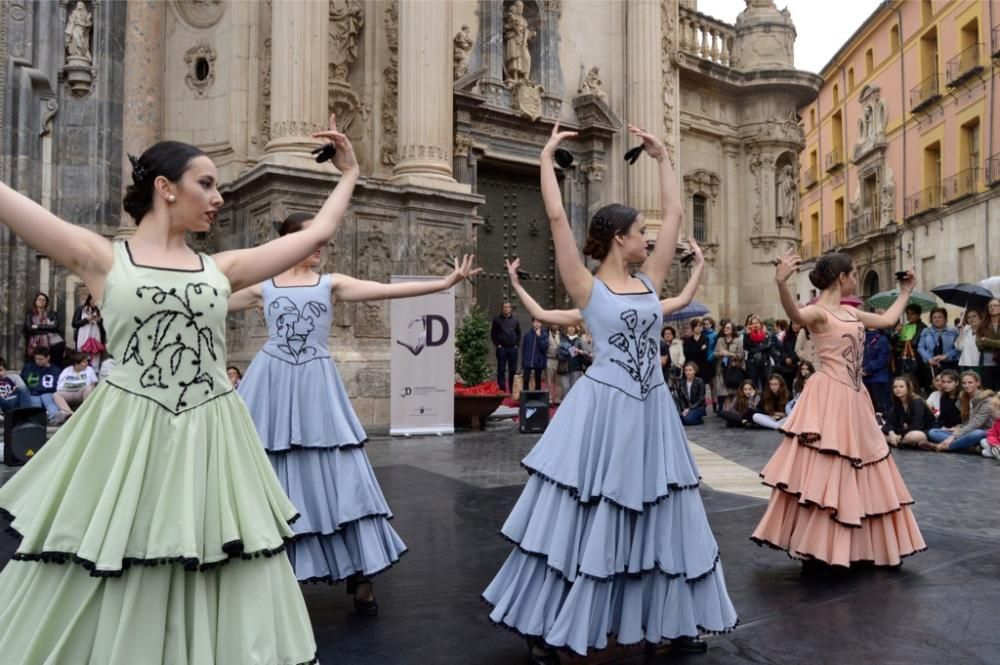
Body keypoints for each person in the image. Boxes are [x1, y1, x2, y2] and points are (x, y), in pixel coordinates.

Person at [0, 115, 360, 663]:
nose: (218, 197)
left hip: (212, 434)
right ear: (166, 189)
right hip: (128, 436)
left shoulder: (222, 268)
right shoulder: (104, 258)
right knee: (123, 551)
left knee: (214, 554)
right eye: (207, 184)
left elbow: (316, 235)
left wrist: (349, 174)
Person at [483, 123, 736, 662]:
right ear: (619, 238)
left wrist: (664, 157)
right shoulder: (587, 287)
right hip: (605, 410)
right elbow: (555, 219)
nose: (649, 238)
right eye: (639, 231)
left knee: (661, 511)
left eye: (647, 232)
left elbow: (672, 217)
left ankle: (671, 616)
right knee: (591, 515)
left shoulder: (649, 283)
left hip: (651, 411)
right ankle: (551, 620)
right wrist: (546, 161)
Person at [229, 212, 479, 616]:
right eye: (310, 237)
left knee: (340, 470)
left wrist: (445, 283)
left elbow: (383, 291)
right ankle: (266, 569)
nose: (320, 245)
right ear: (287, 241)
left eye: (322, 238)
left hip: (315, 383)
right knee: (266, 469)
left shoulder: (332, 284)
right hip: (271, 384)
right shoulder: (265, 286)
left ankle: (360, 573)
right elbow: (209, 300)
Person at [751, 251, 925, 571]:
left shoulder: (850, 312)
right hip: (829, 393)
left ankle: (860, 547)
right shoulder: (819, 313)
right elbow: (797, 316)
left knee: (862, 465)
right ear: (841, 277)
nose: (856, 280)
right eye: (854, 274)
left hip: (855, 396)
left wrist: (905, 293)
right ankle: (819, 546)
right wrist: (781, 283)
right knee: (827, 467)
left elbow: (887, 321)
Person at [922, 370, 995, 452]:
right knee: (933, 432)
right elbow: (966, 422)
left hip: (985, 431)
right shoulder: (963, 398)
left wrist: (953, 436)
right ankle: (969, 448)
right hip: (967, 431)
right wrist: (957, 428)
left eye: (970, 382)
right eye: (964, 383)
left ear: (977, 383)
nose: (966, 385)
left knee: (978, 433)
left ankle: (945, 447)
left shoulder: (986, 400)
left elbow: (976, 424)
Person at [20, 346, 70, 424]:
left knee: (48, 399)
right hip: (33, 393)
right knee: (35, 401)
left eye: (41, 359)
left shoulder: (55, 370)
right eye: (36, 359)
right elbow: (22, 381)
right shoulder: (29, 367)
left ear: (48, 358)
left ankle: (54, 417)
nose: (38, 361)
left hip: (48, 393)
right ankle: (39, 418)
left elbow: (57, 385)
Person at [882, 376, 932, 449]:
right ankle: (897, 441)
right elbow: (889, 422)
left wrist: (900, 435)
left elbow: (917, 426)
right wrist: (891, 433)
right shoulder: (898, 403)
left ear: (908, 388)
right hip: (904, 431)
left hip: (922, 430)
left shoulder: (917, 402)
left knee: (913, 436)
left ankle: (898, 442)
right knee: (877, 431)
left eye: (901, 387)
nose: (898, 389)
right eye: (895, 387)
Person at [918, 306, 960, 385]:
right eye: (934, 317)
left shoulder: (953, 331)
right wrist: (929, 359)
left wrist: (946, 356)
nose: (937, 319)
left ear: (945, 319)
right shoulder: (926, 331)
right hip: (932, 365)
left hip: (949, 364)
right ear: (931, 319)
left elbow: (958, 348)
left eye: (940, 317)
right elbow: (921, 347)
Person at [23, 291, 65, 367]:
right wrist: (47, 328)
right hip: (36, 343)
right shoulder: (30, 314)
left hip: (55, 343)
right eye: (39, 299)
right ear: (35, 301)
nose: (41, 301)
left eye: (44, 300)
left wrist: (37, 326)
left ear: (46, 302)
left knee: (55, 364)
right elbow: (29, 328)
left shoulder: (51, 313)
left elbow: (55, 327)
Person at [714, 320, 744, 412]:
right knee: (725, 392)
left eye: (728, 328)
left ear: (733, 329)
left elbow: (741, 355)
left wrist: (730, 354)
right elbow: (714, 353)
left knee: (733, 391)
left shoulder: (738, 340)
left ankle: (733, 410)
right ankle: (727, 411)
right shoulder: (720, 340)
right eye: (724, 328)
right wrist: (720, 354)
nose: (725, 329)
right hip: (722, 369)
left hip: (733, 369)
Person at [71, 293, 106, 372]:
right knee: (82, 357)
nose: (95, 302)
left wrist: (99, 322)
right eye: (93, 299)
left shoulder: (101, 311)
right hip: (83, 339)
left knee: (95, 359)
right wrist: (87, 320)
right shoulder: (81, 309)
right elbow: (74, 324)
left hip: (96, 340)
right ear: (89, 299)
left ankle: (93, 374)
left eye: (97, 300)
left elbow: (105, 328)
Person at [491, 301, 521, 393]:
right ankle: (502, 389)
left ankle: (512, 389)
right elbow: (493, 334)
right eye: (504, 307)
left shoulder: (515, 320)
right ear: (502, 308)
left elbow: (519, 333)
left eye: (508, 307)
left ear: (511, 308)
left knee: (512, 370)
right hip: (502, 349)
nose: (506, 308)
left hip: (512, 349)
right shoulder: (497, 320)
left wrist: (516, 344)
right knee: (501, 369)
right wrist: (498, 345)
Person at [894, 304, 927, 387]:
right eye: (908, 314)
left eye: (912, 313)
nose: (909, 316)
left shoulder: (923, 327)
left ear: (918, 315)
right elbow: (896, 342)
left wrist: (904, 339)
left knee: (915, 382)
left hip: (916, 359)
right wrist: (897, 332)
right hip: (903, 358)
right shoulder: (905, 326)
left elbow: (915, 342)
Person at [862, 323, 892, 415]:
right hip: (863, 376)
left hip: (879, 377)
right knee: (868, 406)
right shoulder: (861, 338)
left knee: (880, 406)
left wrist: (867, 369)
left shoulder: (882, 339)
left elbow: (883, 359)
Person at [743, 314, 774, 391]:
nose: (755, 325)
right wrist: (747, 336)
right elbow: (746, 347)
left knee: (766, 385)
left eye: (756, 323)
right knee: (753, 385)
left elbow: (768, 346)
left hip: (764, 363)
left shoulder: (767, 334)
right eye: (752, 323)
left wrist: (754, 349)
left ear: (761, 324)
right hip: (752, 363)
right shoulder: (748, 335)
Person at [520, 318, 549, 391]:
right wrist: (523, 362)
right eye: (535, 322)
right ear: (532, 323)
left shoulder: (544, 334)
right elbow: (524, 349)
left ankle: (537, 398)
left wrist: (539, 337)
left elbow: (544, 347)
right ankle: (526, 397)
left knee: (538, 381)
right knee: (526, 380)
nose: (537, 324)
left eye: (539, 322)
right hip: (528, 360)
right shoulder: (528, 334)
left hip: (538, 361)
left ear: (541, 324)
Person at [977, 298, 1000, 390]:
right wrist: (996, 344)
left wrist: (986, 341)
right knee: (988, 391)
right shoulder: (982, 324)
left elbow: (983, 342)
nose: (992, 308)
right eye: (990, 306)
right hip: (987, 363)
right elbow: (979, 344)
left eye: (995, 305)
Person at [682, 318, 711, 388]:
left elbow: (704, 353)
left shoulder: (705, 338)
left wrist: (694, 350)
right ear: (692, 328)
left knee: (701, 388)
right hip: (690, 365)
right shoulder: (687, 340)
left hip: (702, 366)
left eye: (700, 326)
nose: (698, 328)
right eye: (696, 326)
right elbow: (686, 353)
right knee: (690, 387)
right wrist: (699, 350)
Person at [677, 361, 707, 425]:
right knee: (679, 421)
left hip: (698, 408)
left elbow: (701, 400)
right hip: (687, 408)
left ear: (695, 371)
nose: (688, 372)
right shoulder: (682, 383)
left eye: (690, 370)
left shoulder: (699, 381)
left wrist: (689, 409)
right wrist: (684, 408)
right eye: (686, 370)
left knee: (687, 420)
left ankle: (700, 421)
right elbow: (681, 399)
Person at [955, 308, 982, 377]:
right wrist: (961, 332)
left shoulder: (985, 330)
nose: (971, 319)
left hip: (979, 364)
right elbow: (959, 347)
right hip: (965, 363)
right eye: (968, 317)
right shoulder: (966, 329)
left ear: (980, 317)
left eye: (974, 316)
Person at [977, 395, 1000, 461]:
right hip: (997, 445)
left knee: (986, 452)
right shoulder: (996, 423)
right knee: (983, 442)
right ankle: (997, 452)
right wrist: (995, 444)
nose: (991, 414)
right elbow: (991, 434)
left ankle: (996, 453)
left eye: (993, 412)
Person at [545, 323, 562, 403]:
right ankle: (549, 398)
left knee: (558, 381)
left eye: (556, 324)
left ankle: (558, 398)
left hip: (559, 360)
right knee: (549, 380)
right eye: (553, 324)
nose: (555, 325)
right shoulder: (546, 333)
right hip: (550, 358)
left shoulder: (562, 334)